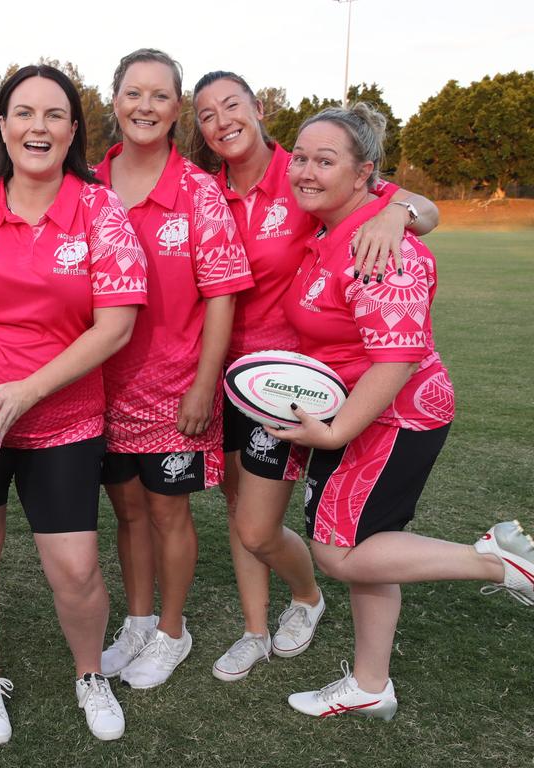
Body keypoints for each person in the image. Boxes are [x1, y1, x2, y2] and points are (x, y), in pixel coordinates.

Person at [0, 65, 148, 744]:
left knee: (73, 567)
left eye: (53, 115)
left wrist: (30, 389)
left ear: (73, 130)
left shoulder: (100, 210)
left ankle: (90, 672)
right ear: (3, 126)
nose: (37, 127)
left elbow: (116, 325)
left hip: (63, 419)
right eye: (23, 113)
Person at [271, 103, 533, 719]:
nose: (306, 170)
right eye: (300, 158)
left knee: (338, 553)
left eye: (324, 160)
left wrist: (333, 431)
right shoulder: (342, 224)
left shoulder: (378, 243)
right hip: (363, 410)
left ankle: (499, 563)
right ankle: (369, 684)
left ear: (365, 174)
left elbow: (397, 357)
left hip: (394, 416)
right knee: (371, 543)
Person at [189, 71, 442, 682]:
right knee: (242, 517)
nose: (222, 120)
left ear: (257, 109)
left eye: (232, 105)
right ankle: (255, 630)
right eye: (204, 114)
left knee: (261, 525)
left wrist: (398, 211)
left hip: (295, 384)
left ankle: (305, 596)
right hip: (228, 373)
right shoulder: (201, 189)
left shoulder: (303, 174)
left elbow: (419, 210)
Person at [93, 49, 253, 689]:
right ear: (115, 102)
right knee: (127, 510)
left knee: (167, 514)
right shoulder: (87, 182)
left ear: (177, 108)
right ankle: (137, 620)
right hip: (98, 388)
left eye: (160, 96)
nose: (146, 107)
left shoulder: (199, 191)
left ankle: (171, 632)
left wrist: (203, 385)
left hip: (173, 391)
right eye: (134, 94)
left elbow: (221, 294)